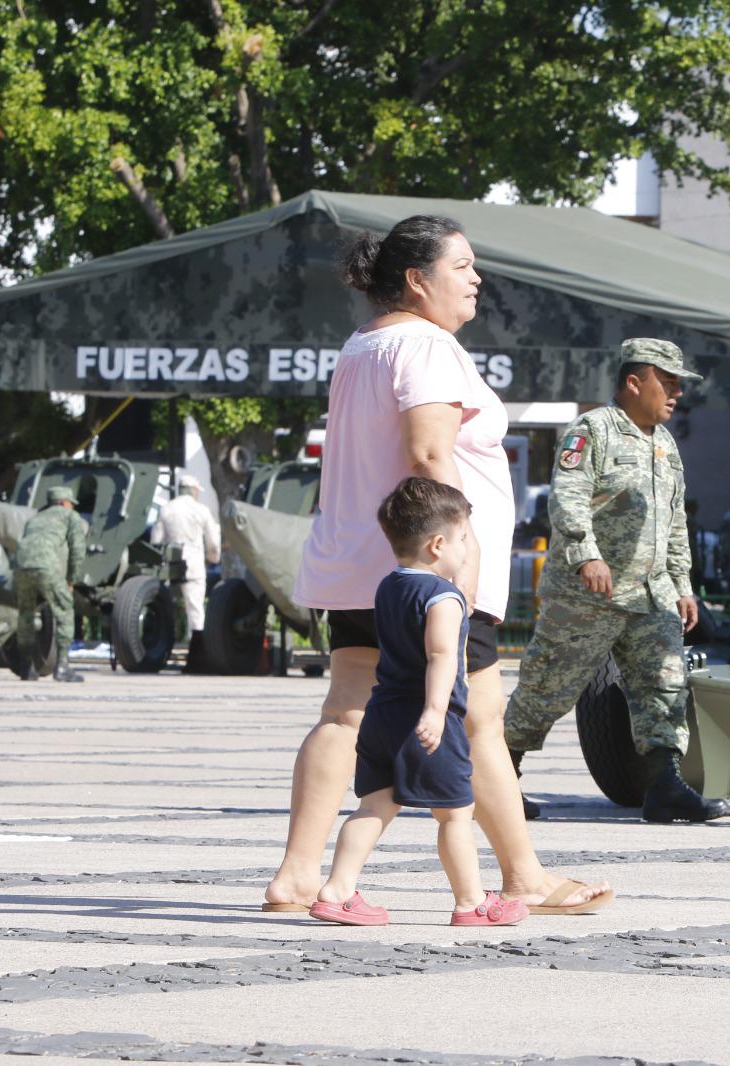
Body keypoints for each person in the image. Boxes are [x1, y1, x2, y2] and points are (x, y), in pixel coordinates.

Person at [264, 213, 609, 915]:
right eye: (462, 267)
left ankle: (298, 877)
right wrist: (462, 551)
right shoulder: (427, 347)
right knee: (480, 717)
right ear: (418, 282)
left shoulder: (363, 345)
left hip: (358, 562)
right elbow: (428, 455)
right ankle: (524, 877)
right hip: (429, 567)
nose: (476, 279)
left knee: (345, 713)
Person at [504, 339, 728, 825]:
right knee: (547, 688)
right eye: (667, 384)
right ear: (634, 381)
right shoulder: (594, 431)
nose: (675, 395)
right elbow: (568, 497)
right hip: (590, 594)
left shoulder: (664, 444)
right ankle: (499, 778)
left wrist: (684, 584)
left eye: (678, 386)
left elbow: (674, 523)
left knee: (665, 686)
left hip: (651, 595)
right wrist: (587, 555)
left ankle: (664, 785)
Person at [313, 479, 549, 928]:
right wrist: (437, 712)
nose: (467, 548)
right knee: (456, 815)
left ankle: (337, 890)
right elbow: (442, 657)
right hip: (425, 720)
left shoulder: (387, 587)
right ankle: (471, 902)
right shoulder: (445, 598)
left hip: (381, 714)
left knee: (373, 806)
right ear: (438, 545)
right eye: (464, 539)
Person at [13, 485, 87, 683]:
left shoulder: (35, 518)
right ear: (64, 503)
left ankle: (26, 668)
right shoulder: (70, 516)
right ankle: (62, 667)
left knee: (26, 614)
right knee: (64, 611)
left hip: (21, 566)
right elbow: (78, 549)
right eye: (71, 504)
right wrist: (72, 578)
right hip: (46, 565)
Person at [151, 474, 221, 663]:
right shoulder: (201, 510)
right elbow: (213, 543)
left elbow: (156, 540)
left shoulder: (166, 509)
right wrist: (212, 558)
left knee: (164, 608)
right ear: (195, 491)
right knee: (195, 609)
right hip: (193, 565)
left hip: (169, 564)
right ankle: (197, 654)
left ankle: (161, 646)